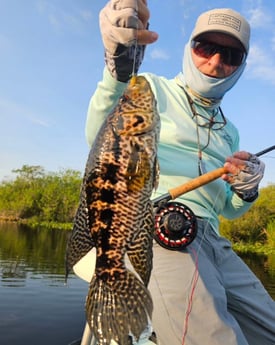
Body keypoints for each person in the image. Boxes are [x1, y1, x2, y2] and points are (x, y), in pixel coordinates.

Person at [82, 1, 275, 344]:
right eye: (207, 47)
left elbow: (226, 209)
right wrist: (117, 70)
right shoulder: (150, 87)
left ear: (241, 66)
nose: (215, 62)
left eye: (230, 55)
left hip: (215, 242)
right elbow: (101, 136)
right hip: (160, 228)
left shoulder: (230, 131)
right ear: (190, 48)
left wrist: (245, 190)